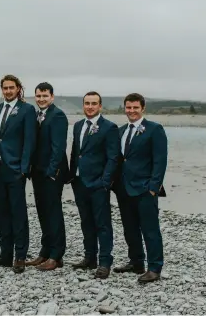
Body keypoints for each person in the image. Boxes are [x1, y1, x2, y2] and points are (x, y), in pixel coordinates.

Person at [112, 93, 168, 283]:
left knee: (150, 229)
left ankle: (154, 268)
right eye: (128, 107)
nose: (132, 111)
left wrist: (153, 187)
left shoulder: (154, 129)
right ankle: (136, 262)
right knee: (130, 228)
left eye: (135, 107)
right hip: (123, 189)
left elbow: (160, 161)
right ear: (124, 108)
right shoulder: (120, 131)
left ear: (142, 108)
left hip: (145, 189)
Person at [0, 74, 37, 274]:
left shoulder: (27, 110)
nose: (8, 91)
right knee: (1, 212)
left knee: (18, 212)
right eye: (5, 88)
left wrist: (24, 169)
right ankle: (5, 253)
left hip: (15, 169)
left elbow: (29, 141)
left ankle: (20, 255)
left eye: (11, 88)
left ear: (18, 89)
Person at [68, 91, 120, 279]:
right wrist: (72, 175)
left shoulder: (109, 127)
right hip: (80, 182)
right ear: (83, 105)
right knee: (86, 222)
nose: (90, 106)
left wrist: (105, 182)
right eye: (87, 103)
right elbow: (76, 152)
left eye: (94, 103)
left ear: (100, 106)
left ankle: (105, 261)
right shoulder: (78, 126)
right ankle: (90, 257)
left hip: (98, 184)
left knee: (102, 224)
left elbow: (113, 157)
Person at [26, 82, 68, 272]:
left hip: (52, 173)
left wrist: (52, 172)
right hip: (38, 172)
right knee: (42, 211)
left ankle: (56, 255)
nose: (41, 99)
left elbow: (59, 148)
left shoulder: (57, 115)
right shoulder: (36, 115)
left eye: (45, 96)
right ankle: (45, 250)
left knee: (53, 212)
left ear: (52, 97)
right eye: (38, 96)